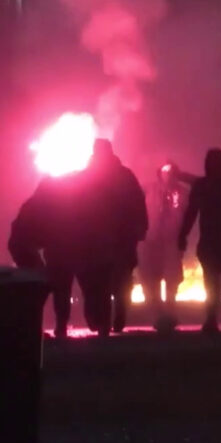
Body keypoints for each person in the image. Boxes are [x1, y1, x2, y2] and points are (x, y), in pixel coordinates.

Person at [79, 139, 148, 335]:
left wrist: (140, 227)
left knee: (106, 281)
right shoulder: (123, 176)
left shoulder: (91, 177)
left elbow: (137, 202)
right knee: (112, 281)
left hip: (110, 239)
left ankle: (106, 319)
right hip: (106, 238)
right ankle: (110, 318)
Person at [179, 148, 221, 333]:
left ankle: (213, 317)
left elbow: (191, 213)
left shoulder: (203, 186)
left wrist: (183, 235)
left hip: (213, 242)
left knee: (213, 282)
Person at [9, 172, 85, 338]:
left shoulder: (36, 204)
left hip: (34, 249)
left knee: (45, 287)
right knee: (49, 288)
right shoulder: (47, 206)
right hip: (31, 248)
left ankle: (38, 325)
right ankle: (54, 326)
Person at [139, 162, 188, 333]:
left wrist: (182, 236)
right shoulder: (148, 189)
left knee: (171, 280)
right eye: (164, 170)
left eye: (170, 170)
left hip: (171, 241)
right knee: (150, 280)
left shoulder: (182, 192)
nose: (167, 174)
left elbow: (185, 214)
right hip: (151, 241)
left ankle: (170, 313)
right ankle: (157, 315)